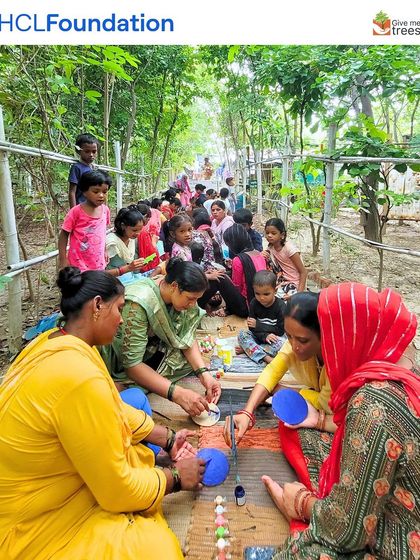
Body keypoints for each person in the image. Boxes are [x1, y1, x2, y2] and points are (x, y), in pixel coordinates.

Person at [0, 267, 206, 560]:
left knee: (134, 404)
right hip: (33, 519)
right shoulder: (78, 375)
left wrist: (167, 438)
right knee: (157, 550)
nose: (122, 319)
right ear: (97, 306)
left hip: (38, 485)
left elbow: (112, 405)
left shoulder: (50, 341)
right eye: (119, 309)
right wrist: (173, 476)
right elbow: (116, 492)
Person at [261, 283, 419, 560]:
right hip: (399, 499)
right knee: (309, 437)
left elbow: (345, 531)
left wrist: (297, 502)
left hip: (402, 536)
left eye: (331, 336)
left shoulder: (372, 403)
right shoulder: (396, 369)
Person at [99, 258, 221, 417]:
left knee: (186, 361)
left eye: (197, 299)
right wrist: (177, 394)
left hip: (151, 347)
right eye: (191, 299)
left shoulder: (179, 297)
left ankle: (144, 383)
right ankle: (121, 385)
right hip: (120, 360)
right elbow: (131, 364)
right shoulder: (139, 303)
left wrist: (204, 375)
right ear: (175, 286)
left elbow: (186, 337)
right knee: (126, 385)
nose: (193, 305)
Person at [224, 291, 331, 446]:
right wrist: (247, 412)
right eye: (288, 336)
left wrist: (282, 391)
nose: (294, 346)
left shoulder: (337, 363)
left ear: (324, 334)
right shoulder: (294, 346)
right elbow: (272, 371)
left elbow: (323, 404)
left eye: (302, 340)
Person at [58, 170, 111, 272]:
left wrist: (105, 250)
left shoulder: (105, 210)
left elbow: (102, 233)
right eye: (96, 191)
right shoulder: (76, 212)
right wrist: (63, 259)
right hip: (78, 263)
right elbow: (64, 235)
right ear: (84, 191)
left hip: (98, 262)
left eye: (104, 192)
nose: (101, 195)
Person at [236, 270, 287, 364]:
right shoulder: (254, 303)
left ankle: (250, 349)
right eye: (257, 294)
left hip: (275, 338)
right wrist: (264, 336)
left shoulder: (281, 306)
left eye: (266, 294)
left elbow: (280, 330)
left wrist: (259, 325)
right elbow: (252, 328)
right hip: (259, 336)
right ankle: (265, 357)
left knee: (283, 344)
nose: (261, 298)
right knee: (242, 334)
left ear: (275, 291)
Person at [223, 223, 267, 306]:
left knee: (221, 278)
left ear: (233, 244)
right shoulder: (258, 254)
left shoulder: (238, 259)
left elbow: (237, 286)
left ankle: (228, 309)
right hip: (262, 299)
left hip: (247, 304)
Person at [264, 218, 308, 298]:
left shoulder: (289, 249)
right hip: (282, 281)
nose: (269, 235)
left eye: (273, 233)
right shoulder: (270, 248)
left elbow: (303, 272)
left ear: (282, 235)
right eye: (267, 233)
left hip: (294, 283)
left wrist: (298, 295)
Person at [105, 206, 146, 277]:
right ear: (123, 226)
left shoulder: (132, 239)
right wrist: (129, 268)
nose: (138, 233)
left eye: (140, 230)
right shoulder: (112, 243)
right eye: (134, 230)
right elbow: (103, 273)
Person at [68, 132, 99, 208]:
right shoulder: (77, 168)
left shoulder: (94, 168)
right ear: (79, 151)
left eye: (94, 151)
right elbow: (72, 192)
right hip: (81, 208)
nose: (91, 154)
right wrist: (73, 212)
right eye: (87, 151)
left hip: (92, 208)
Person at [136, 203, 161, 272]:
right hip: (142, 266)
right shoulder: (143, 232)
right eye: (148, 218)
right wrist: (154, 242)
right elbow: (151, 256)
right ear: (145, 217)